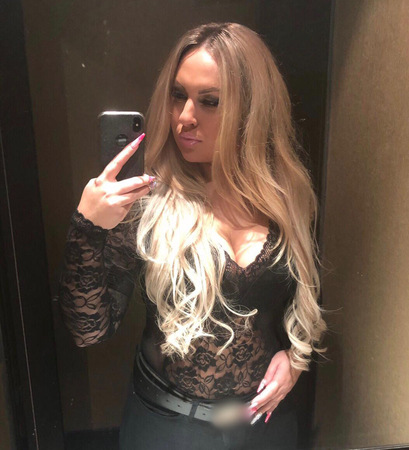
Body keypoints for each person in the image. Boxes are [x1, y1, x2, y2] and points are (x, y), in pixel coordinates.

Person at [58, 22, 326, 450]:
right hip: (169, 429)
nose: (184, 117)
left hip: (268, 424)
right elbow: (89, 330)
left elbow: (301, 300)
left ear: (252, 110)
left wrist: (295, 360)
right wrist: (88, 227)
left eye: (210, 101)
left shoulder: (286, 198)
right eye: (178, 95)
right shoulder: (147, 201)